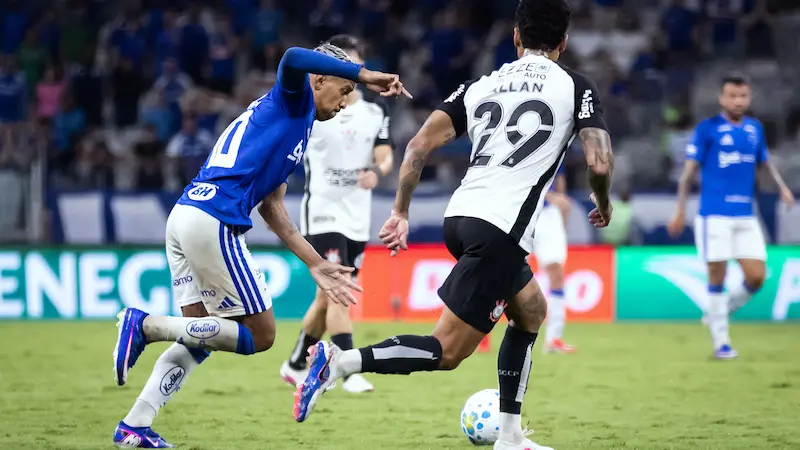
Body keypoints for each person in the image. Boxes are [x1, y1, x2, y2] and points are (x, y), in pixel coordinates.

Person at [294, 1, 615, 449]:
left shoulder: (482, 84)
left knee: (532, 310)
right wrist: (602, 201)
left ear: (516, 37)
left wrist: (400, 212)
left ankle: (510, 436)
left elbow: (418, 146)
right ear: (563, 41)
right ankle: (341, 361)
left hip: (461, 217)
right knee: (445, 352)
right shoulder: (576, 86)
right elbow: (598, 158)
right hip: (501, 230)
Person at [110, 43, 408, 448]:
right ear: (319, 79)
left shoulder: (297, 124)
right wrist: (365, 74)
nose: (346, 101)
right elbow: (291, 57)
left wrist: (316, 264)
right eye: (343, 90)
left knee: (198, 338)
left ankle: (135, 425)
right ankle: (146, 325)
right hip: (214, 219)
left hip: (185, 216)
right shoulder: (292, 97)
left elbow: (273, 209)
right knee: (261, 334)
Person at [280, 35, 393, 394]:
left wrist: (380, 171)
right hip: (323, 211)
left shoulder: (376, 113)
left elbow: (386, 153)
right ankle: (347, 367)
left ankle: (296, 363)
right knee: (339, 289)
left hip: (357, 215)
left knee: (325, 296)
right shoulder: (316, 107)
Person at [667, 74, 794, 360]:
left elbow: (765, 163)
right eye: (732, 96)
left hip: (746, 216)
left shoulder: (754, 129)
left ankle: (718, 313)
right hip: (714, 216)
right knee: (717, 275)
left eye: (743, 96)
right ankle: (721, 343)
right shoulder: (707, 129)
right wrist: (680, 210)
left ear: (749, 99)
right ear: (721, 99)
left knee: (757, 276)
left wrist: (783, 188)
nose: (738, 101)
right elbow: (688, 173)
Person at [535, 165, 576, 354]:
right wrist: (549, 197)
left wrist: (560, 204)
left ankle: (553, 339)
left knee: (556, 273)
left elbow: (559, 177)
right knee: (502, 270)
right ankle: (479, 334)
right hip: (519, 211)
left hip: (547, 215)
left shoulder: (557, 140)